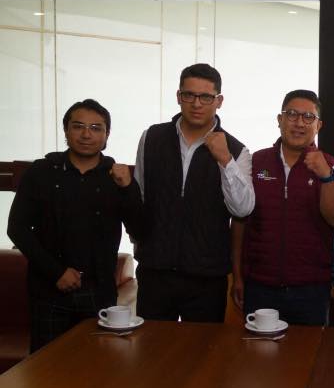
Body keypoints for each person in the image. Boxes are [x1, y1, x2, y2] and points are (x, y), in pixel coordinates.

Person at [7, 99, 143, 352]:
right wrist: (55, 272)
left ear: (106, 135)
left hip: (99, 291)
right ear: (66, 131)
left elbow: (140, 230)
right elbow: (17, 228)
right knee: (46, 366)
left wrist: (128, 189)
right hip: (49, 288)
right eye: (78, 126)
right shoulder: (42, 171)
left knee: (98, 365)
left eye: (96, 128)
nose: (86, 134)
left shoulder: (116, 176)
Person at [133, 63, 254, 322]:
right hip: (155, 270)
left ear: (219, 101)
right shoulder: (152, 137)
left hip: (206, 276)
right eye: (189, 95)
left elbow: (243, 208)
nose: (197, 104)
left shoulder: (236, 149)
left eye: (206, 97)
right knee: (152, 345)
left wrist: (225, 159)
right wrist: (140, 242)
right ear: (179, 97)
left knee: (203, 347)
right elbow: (139, 197)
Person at [230, 90, 334, 325]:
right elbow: (239, 221)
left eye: (308, 117)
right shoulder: (255, 162)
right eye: (292, 114)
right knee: (258, 348)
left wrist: (325, 176)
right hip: (260, 285)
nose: (299, 123)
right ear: (280, 120)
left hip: (311, 289)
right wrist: (237, 275)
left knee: (308, 349)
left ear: (318, 125)